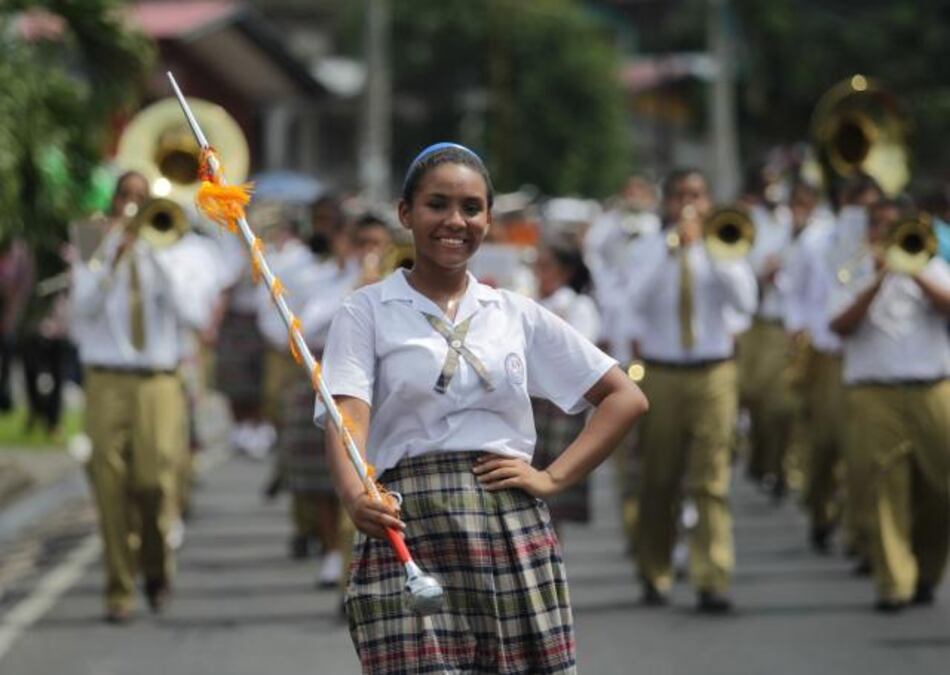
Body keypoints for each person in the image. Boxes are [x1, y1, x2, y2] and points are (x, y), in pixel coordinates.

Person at [318, 143, 647, 673]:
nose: (455, 220)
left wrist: (553, 478)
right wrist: (356, 496)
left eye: (471, 208)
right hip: (410, 524)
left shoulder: (512, 312)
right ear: (406, 213)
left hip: (508, 525)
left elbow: (624, 397)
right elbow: (347, 413)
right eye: (437, 204)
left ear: (489, 219)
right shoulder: (366, 310)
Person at [70, 172, 217, 623]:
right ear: (113, 200)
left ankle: (155, 567)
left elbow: (193, 314)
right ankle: (118, 588)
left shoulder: (180, 247)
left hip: (159, 379)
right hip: (105, 378)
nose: (132, 207)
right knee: (108, 483)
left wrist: (156, 258)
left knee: (154, 482)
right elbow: (82, 307)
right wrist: (114, 255)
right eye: (126, 197)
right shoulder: (92, 237)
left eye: (142, 198)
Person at [627, 168, 757, 613]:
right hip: (661, 371)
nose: (689, 203)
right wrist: (670, 254)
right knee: (658, 479)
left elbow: (745, 302)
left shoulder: (724, 245)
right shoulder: (647, 248)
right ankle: (655, 570)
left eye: (697, 195)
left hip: (714, 372)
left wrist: (709, 251)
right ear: (667, 201)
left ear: (708, 201)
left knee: (712, 481)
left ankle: (713, 577)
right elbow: (636, 302)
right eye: (681, 195)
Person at [829, 198, 950, 612]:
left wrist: (914, 273)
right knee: (884, 486)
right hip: (874, 391)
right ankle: (894, 582)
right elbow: (838, 325)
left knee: (941, 488)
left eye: (892, 226)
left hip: (933, 387)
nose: (885, 233)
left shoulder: (931, 264)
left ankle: (928, 571)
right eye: (878, 226)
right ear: (869, 232)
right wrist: (878, 280)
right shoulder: (851, 269)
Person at [530, 239, 601, 527]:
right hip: (530, 404)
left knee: (552, 491)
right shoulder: (528, 300)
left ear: (565, 271)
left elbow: (580, 354)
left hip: (559, 405)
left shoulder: (579, 305)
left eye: (546, 266)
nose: (538, 272)